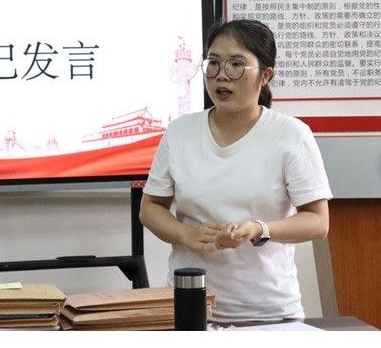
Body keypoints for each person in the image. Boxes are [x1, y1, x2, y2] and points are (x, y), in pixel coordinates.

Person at [140, 19, 333, 324]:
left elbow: (318, 222)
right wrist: (186, 234)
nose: (221, 75)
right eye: (214, 63)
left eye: (236, 65)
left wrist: (260, 229)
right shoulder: (180, 132)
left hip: (269, 313)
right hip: (190, 308)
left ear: (265, 75)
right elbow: (150, 208)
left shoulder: (291, 134)